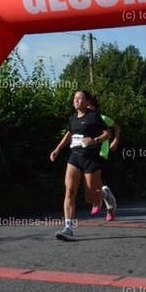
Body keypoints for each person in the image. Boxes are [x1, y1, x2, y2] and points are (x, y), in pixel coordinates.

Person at [49, 90, 115, 241]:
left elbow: (108, 134)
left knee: (90, 198)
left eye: (80, 98)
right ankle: (68, 228)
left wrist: (95, 140)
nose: (77, 100)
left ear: (87, 101)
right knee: (69, 191)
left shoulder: (94, 116)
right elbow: (70, 133)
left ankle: (106, 196)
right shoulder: (72, 118)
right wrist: (57, 149)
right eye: (75, 98)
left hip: (90, 159)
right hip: (75, 157)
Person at [87, 96, 121, 221]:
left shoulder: (102, 118)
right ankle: (107, 199)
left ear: (94, 107)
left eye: (89, 106)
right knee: (94, 180)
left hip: (101, 152)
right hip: (87, 153)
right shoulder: (83, 120)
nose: (86, 108)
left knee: (94, 177)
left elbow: (117, 127)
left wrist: (115, 141)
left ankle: (99, 201)